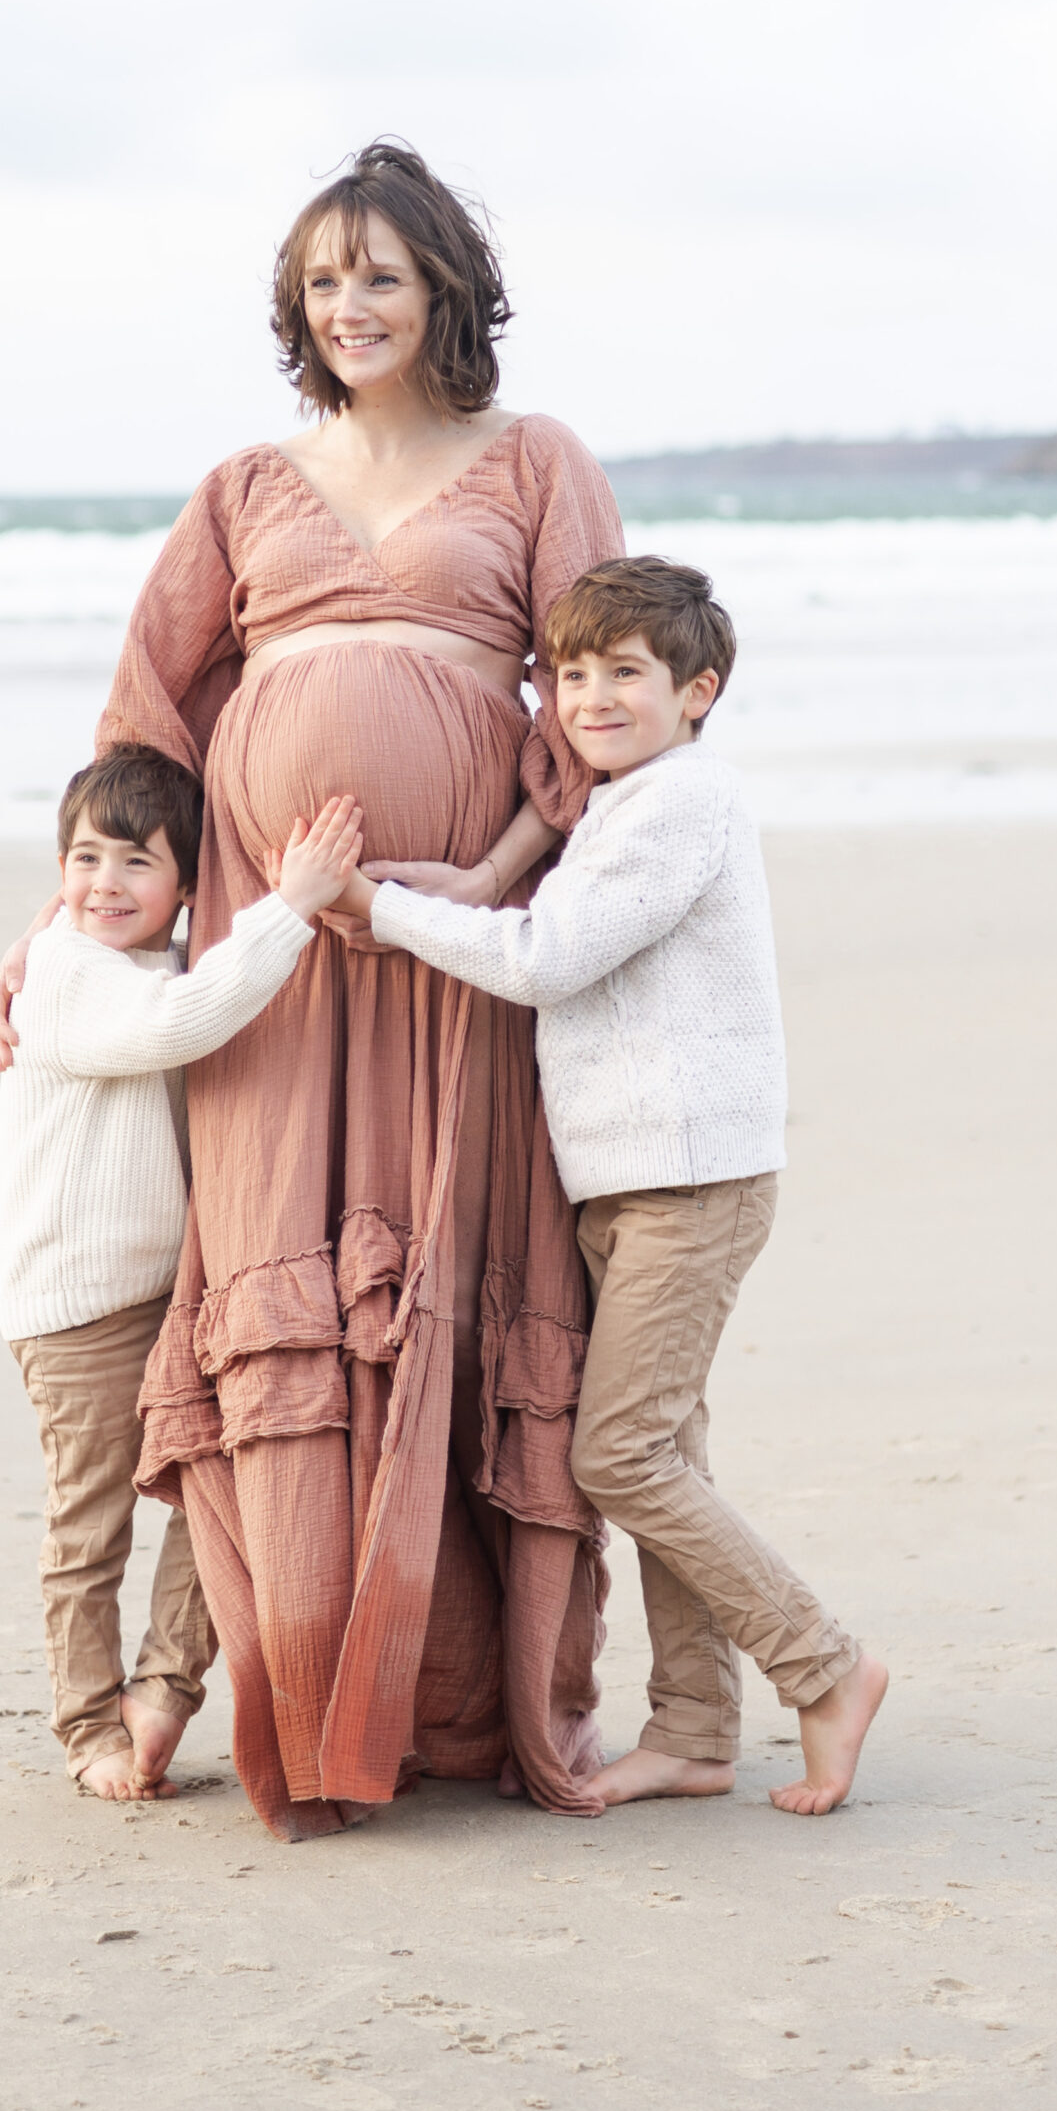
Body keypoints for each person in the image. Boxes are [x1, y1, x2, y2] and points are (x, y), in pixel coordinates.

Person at [0, 141, 625, 1839]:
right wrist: (78, 925)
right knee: (268, 1264)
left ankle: (446, 1697)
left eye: (382, 276)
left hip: (449, 963)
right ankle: (277, 1671)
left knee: (449, 1266)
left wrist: (482, 885)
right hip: (267, 966)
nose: (351, 305)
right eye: (325, 279)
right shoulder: (245, 484)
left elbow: (587, 697)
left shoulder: (535, 460)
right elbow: (145, 715)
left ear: (443, 297)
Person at [333, 555, 889, 1815]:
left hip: (693, 1176)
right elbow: (541, 926)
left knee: (621, 1454)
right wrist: (468, 883)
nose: (591, 696)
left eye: (624, 673)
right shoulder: (619, 802)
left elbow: (553, 958)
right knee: (667, 1446)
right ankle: (695, 1731)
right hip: (627, 1179)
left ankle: (828, 1665)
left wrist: (381, 908)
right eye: (570, 673)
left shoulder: (684, 798)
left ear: (698, 691)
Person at [0, 740, 363, 1802]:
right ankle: (86, 1726)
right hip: (75, 1305)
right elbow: (182, 1022)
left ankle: (162, 1690)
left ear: (188, 884)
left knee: (222, 1484)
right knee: (91, 1521)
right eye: (84, 859)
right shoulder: (65, 974)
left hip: (165, 1294)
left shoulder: (151, 953)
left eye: (136, 863)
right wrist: (292, 904)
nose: (105, 883)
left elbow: (190, 982)